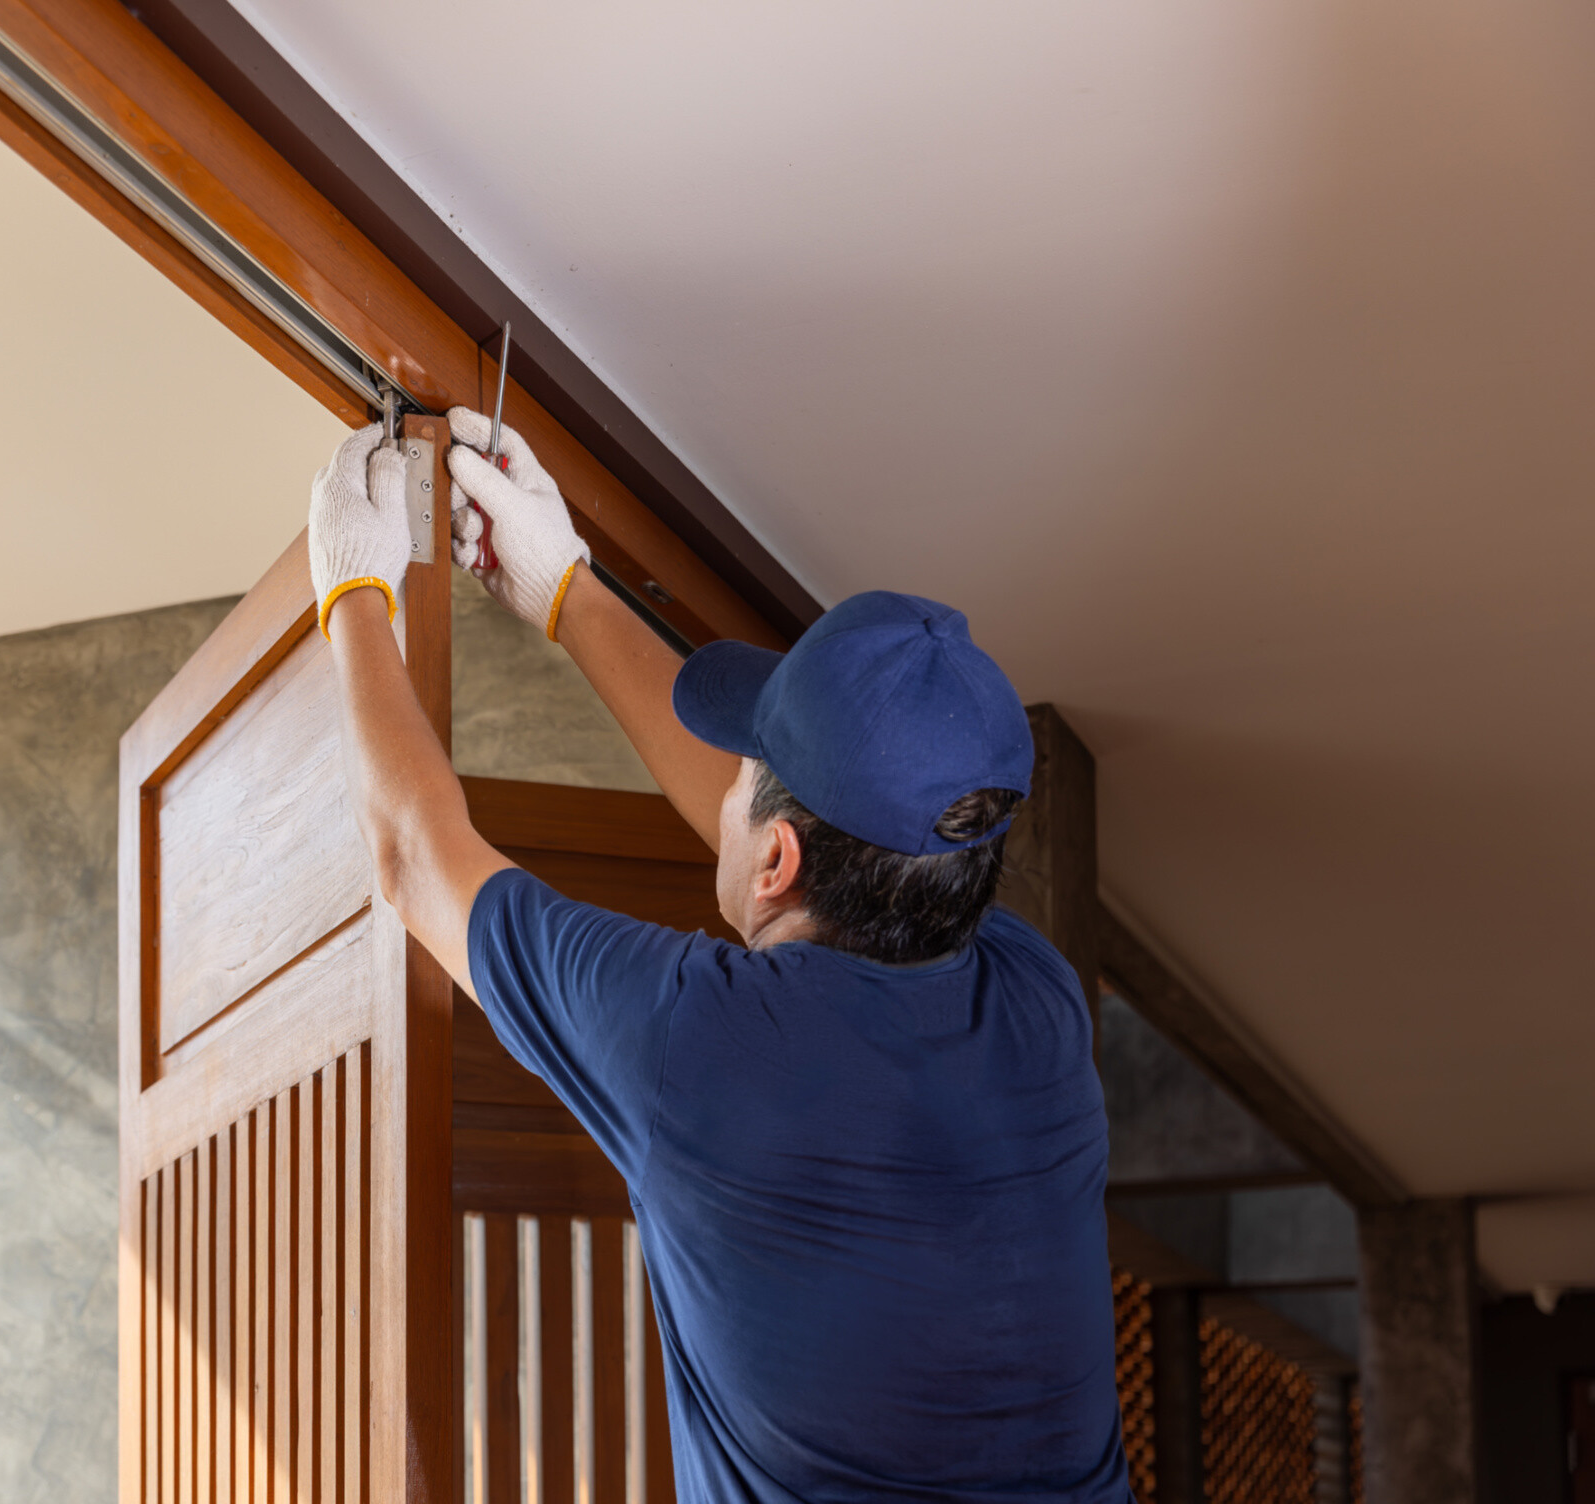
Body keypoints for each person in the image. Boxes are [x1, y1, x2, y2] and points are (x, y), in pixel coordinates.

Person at [305, 413, 1130, 1502]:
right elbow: (794, 863)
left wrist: (350, 593)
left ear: (780, 856)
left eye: (745, 767)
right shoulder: (1036, 1003)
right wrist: (565, 590)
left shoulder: (701, 1044)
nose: (725, 781)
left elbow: (415, 855)